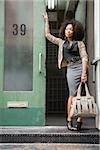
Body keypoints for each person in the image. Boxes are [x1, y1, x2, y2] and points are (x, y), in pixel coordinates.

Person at [43, 12, 88, 131]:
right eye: (67, 29)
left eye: (71, 30)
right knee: (72, 95)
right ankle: (69, 119)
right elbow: (48, 35)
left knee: (81, 96)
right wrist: (46, 20)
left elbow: (84, 58)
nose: (68, 31)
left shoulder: (79, 44)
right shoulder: (61, 43)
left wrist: (84, 73)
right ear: (64, 31)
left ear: (75, 31)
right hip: (71, 69)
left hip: (80, 67)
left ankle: (79, 120)